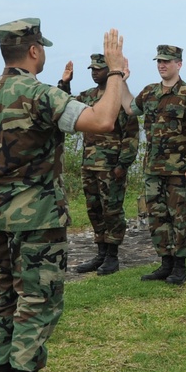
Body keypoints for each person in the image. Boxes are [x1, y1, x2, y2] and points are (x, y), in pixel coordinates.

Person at [0, 19, 127, 372]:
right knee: (37, 298)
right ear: (34, 51)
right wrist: (116, 71)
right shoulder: (40, 95)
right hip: (38, 218)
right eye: (42, 47)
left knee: (5, 298)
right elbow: (103, 121)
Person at [120, 45, 186, 286]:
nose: (162, 65)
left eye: (167, 61)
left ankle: (179, 267)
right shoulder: (149, 92)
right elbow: (130, 108)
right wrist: (121, 81)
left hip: (180, 170)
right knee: (157, 217)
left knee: (180, 217)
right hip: (153, 169)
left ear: (179, 64)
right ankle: (165, 263)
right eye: (159, 61)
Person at [57, 54, 139, 276]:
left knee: (111, 210)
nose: (94, 72)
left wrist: (123, 164)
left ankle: (112, 256)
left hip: (111, 166)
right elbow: (66, 107)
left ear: (109, 70)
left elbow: (131, 135)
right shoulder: (89, 96)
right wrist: (65, 82)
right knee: (94, 210)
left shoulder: (120, 99)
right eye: (92, 68)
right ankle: (101, 252)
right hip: (90, 164)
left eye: (99, 68)